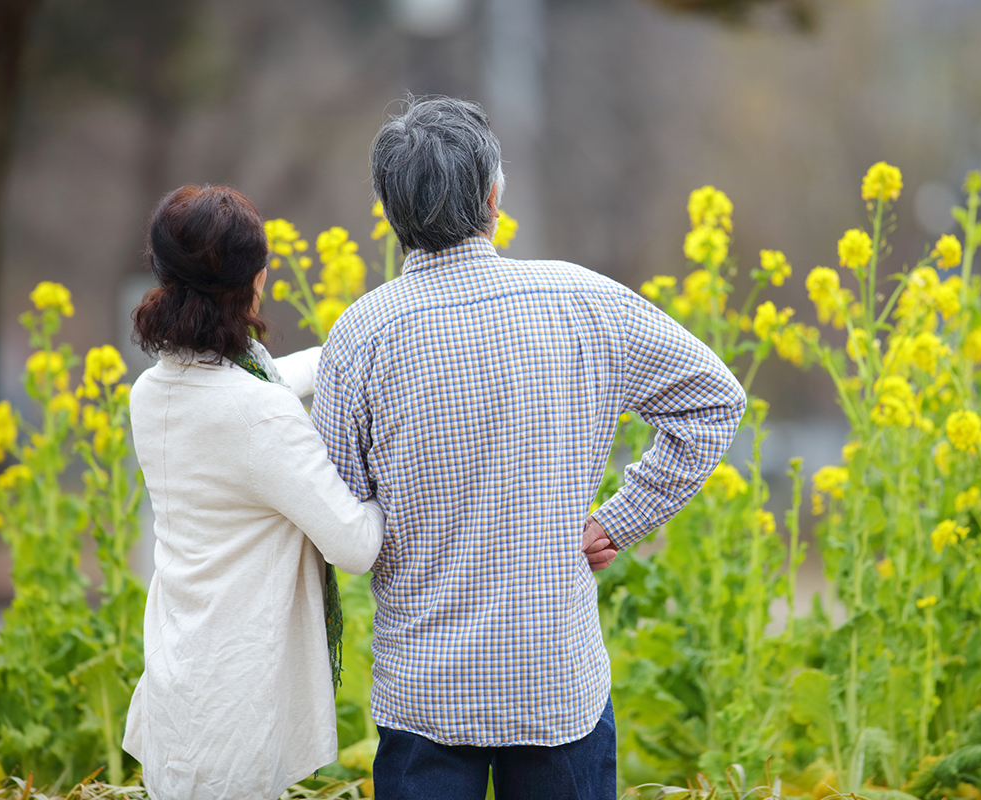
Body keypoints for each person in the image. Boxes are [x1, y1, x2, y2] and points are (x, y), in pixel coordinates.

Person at [311, 96, 746, 800]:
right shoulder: (583, 303)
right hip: (555, 684)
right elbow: (715, 401)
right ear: (492, 198)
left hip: (426, 696)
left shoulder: (360, 337)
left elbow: (342, 520)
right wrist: (620, 519)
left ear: (389, 213)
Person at [122, 184, 386, 800]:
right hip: (236, 713)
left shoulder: (154, 390)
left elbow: (262, 389)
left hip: (182, 685)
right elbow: (354, 544)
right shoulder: (256, 414)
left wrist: (341, 354)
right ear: (258, 279)